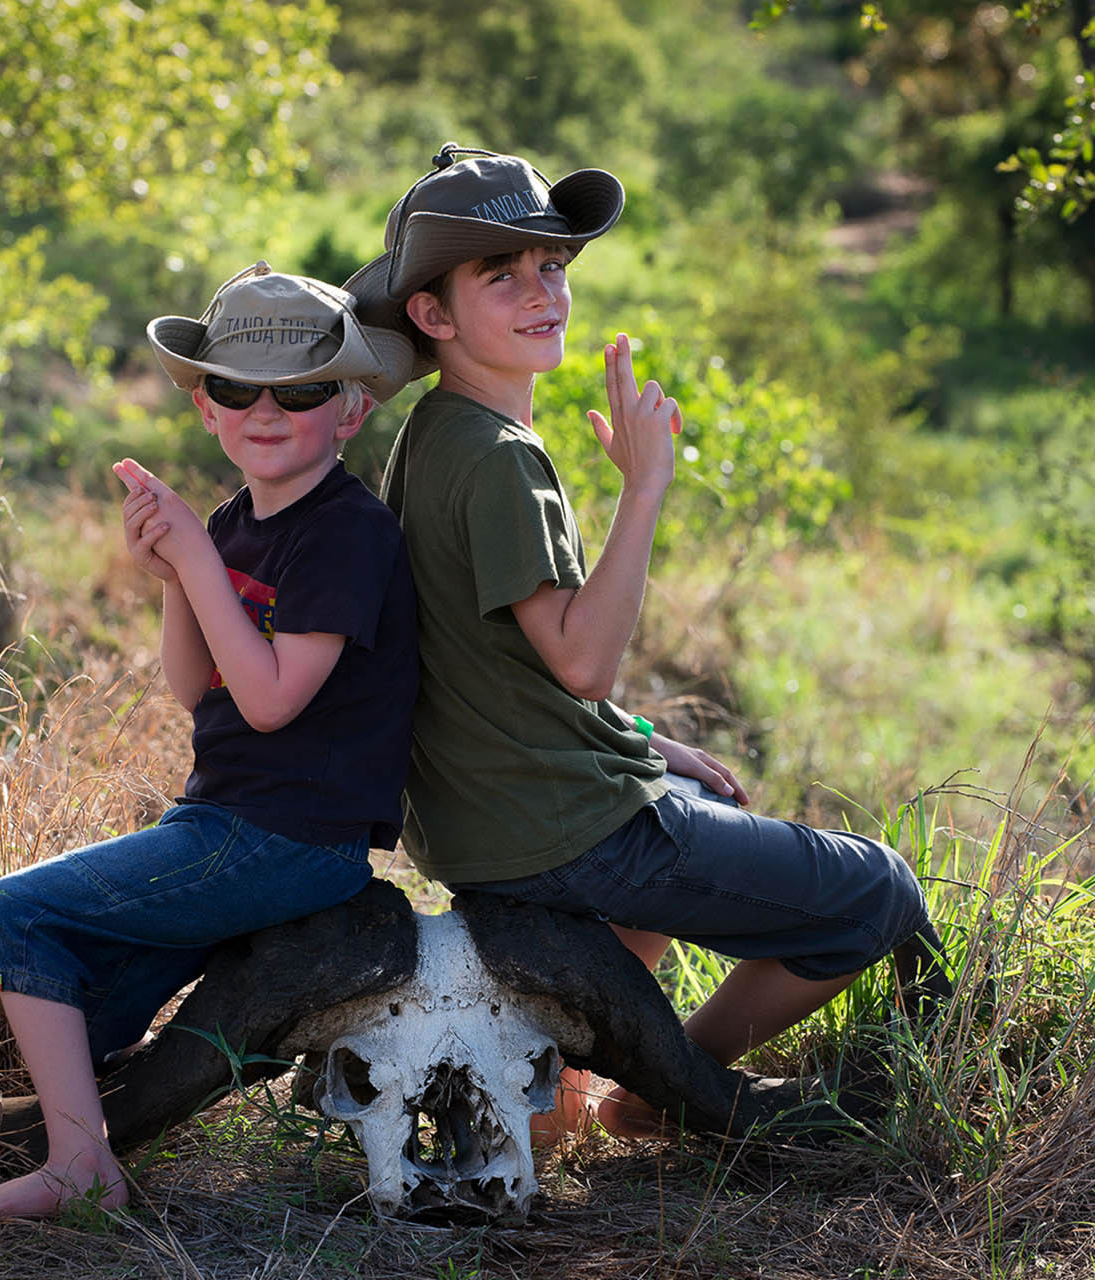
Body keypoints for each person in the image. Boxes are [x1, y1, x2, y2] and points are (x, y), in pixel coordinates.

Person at [343, 144, 934, 1138]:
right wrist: (645, 489)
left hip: (482, 812)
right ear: (433, 316)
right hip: (557, 828)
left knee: (694, 792)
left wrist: (647, 744)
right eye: (504, 275)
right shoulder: (496, 460)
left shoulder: (436, 431)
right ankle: (669, 1086)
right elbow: (580, 659)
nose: (546, 293)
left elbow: (506, 671)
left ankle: (563, 1106)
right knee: (878, 890)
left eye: (555, 267)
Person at [0, 262, 419, 1222]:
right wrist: (175, 571)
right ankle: (67, 1131)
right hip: (230, 816)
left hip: (292, 833)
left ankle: (82, 1169)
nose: (267, 411)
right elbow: (195, 686)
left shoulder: (347, 534)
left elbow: (275, 700)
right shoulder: (241, 520)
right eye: (239, 390)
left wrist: (197, 558)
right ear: (207, 408)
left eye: (303, 391)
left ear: (350, 412)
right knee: (90, 993)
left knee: (15, 919)